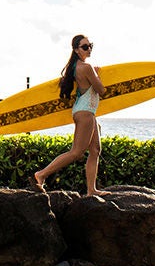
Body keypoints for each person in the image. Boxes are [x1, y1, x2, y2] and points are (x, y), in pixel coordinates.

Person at [31, 35, 110, 196]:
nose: (89, 49)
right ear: (76, 49)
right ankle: (41, 175)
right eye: (85, 47)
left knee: (95, 149)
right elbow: (101, 90)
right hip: (85, 112)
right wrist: (97, 74)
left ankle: (91, 190)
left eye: (90, 45)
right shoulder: (86, 68)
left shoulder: (76, 66)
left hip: (86, 111)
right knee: (77, 152)